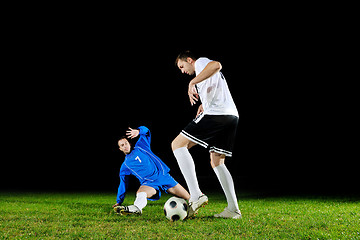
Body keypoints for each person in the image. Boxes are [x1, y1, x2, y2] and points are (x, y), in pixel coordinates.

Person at [171, 50, 242, 219]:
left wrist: (192, 83)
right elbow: (215, 84)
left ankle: (195, 195)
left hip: (217, 114)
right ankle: (233, 209)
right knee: (217, 161)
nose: (182, 71)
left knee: (177, 144)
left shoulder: (201, 62)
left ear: (189, 60)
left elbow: (216, 65)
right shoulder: (204, 74)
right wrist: (204, 103)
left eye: (182, 66)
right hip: (231, 116)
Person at [113, 126, 190, 215]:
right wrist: (119, 201)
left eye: (126, 143)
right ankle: (136, 208)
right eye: (122, 145)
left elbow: (147, 131)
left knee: (188, 197)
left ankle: (191, 213)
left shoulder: (141, 146)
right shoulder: (125, 166)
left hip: (164, 177)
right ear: (120, 149)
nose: (125, 146)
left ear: (129, 143)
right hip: (150, 184)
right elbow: (123, 183)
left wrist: (138, 131)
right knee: (141, 193)